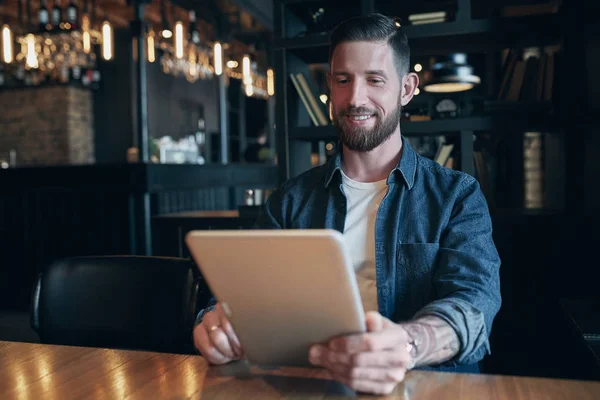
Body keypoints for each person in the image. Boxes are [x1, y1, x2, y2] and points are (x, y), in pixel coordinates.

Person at [193, 13, 501, 395]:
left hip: (425, 389)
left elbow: (474, 306)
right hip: (312, 386)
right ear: (330, 86)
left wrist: (409, 344)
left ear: (406, 89)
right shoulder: (290, 202)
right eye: (343, 80)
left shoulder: (457, 195)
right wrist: (216, 322)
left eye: (374, 80)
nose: (355, 98)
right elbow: (235, 295)